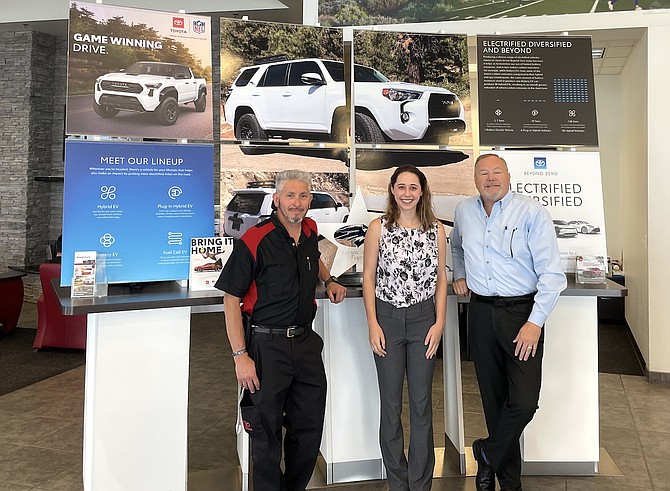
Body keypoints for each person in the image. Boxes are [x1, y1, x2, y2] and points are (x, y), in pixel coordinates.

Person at [215, 169, 347, 491]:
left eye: (303, 196)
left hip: (304, 343)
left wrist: (328, 279)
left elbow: (314, 255)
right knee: (265, 435)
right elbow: (230, 300)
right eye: (290, 196)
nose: (297, 203)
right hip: (265, 348)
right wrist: (239, 357)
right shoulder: (254, 240)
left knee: (308, 430)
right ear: (276, 200)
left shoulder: (310, 229)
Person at [450, 154, 566, 491]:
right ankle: (508, 482)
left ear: (509, 176)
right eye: (483, 173)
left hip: (522, 315)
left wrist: (536, 322)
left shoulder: (531, 213)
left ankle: (486, 453)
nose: (490, 178)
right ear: (474, 179)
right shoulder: (464, 212)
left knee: (524, 401)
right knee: (494, 401)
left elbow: (552, 276)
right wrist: (459, 274)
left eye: (496, 172)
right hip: (481, 313)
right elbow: (456, 248)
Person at [362, 165, 447, 491]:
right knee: (392, 405)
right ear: (393, 190)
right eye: (401, 187)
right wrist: (373, 323)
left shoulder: (436, 230)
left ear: (422, 191)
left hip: (424, 320)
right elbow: (369, 277)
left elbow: (441, 279)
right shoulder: (378, 228)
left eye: (413, 187)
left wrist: (439, 323)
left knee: (422, 405)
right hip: (388, 320)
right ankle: (398, 481)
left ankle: (420, 482)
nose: (407, 193)